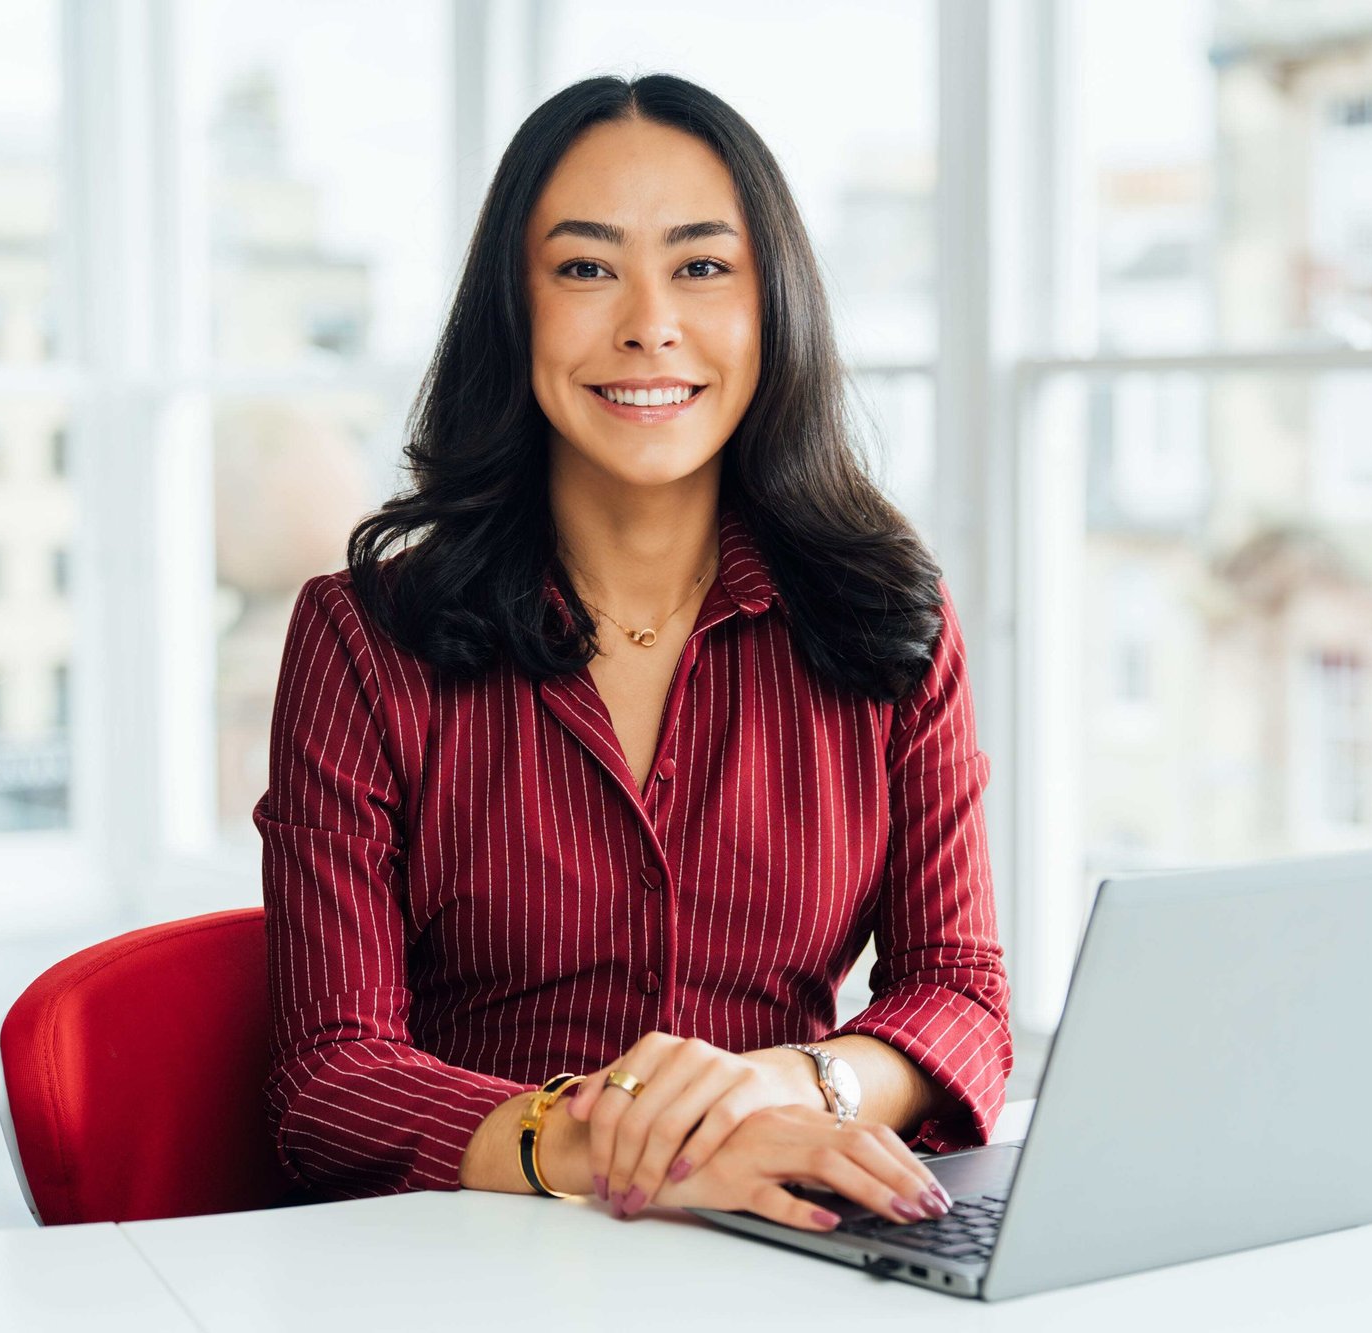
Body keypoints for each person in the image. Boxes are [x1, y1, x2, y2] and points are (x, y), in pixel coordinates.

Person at [256, 72, 1010, 1236]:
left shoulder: (885, 618)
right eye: (585, 267)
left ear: (774, 307)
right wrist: (636, 1149)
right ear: (514, 309)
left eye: (702, 266)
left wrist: (787, 1084)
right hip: (474, 1255)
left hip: (788, 1247)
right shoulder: (364, 638)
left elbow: (958, 994)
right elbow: (328, 1078)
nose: (648, 323)